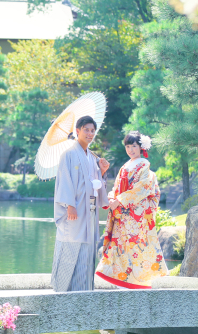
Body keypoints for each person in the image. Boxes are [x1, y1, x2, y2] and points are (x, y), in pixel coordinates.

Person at [95, 131, 167, 289]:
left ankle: (139, 281)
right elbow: (116, 187)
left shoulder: (144, 165)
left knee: (136, 247)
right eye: (128, 146)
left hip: (135, 216)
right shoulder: (125, 166)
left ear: (141, 147)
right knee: (120, 246)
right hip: (122, 214)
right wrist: (112, 199)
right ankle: (121, 278)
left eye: (134, 146)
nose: (130, 150)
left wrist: (119, 200)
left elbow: (142, 189)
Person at [51, 115, 110, 292]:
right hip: (74, 211)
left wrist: (103, 172)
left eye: (93, 131)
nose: (90, 133)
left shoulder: (92, 158)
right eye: (86, 130)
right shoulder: (69, 154)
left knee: (87, 250)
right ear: (77, 131)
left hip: (89, 211)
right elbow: (64, 180)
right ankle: (62, 289)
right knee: (70, 245)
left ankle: (82, 290)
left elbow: (95, 185)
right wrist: (69, 205)